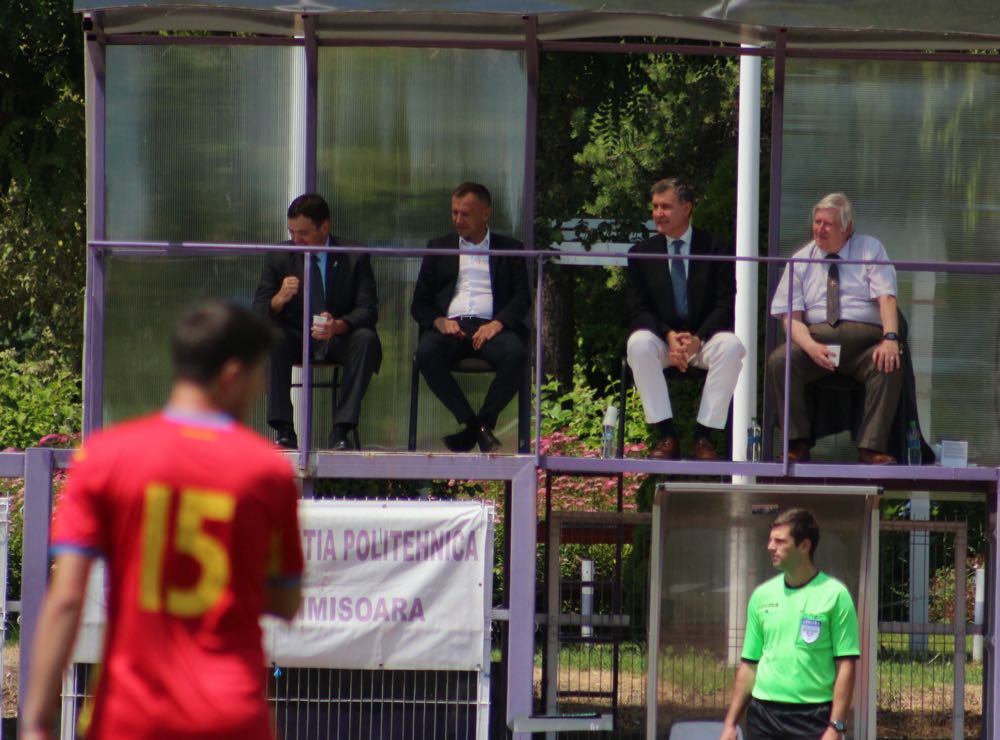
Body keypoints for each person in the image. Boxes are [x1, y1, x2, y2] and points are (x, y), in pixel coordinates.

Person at [23, 301, 304, 740]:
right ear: (232, 376)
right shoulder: (266, 471)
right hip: (230, 716)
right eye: (259, 377)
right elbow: (286, 603)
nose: (260, 390)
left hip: (129, 715)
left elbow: (66, 599)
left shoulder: (105, 457)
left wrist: (37, 722)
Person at [767, 192, 901, 464]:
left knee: (889, 361)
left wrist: (890, 338)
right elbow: (790, 318)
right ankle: (796, 444)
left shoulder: (869, 248)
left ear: (847, 227)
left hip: (864, 346)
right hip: (817, 344)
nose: (820, 229)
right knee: (781, 360)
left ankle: (871, 448)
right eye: (817, 222)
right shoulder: (800, 259)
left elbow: (887, 296)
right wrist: (810, 348)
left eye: (827, 223)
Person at [625, 178, 745, 460]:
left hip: (703, 340)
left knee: (732, 347)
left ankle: (703, 437)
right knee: (638, 343)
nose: (658, 213)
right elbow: (638, 309)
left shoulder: (716, 247)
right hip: (663, 340)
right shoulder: (642, 253)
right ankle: (666, 436)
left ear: (687, 208)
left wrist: (697, 339)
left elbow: (725, 304)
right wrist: (668, 335)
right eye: (654, 206)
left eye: (665, 206)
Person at [253, 193, 382, 450]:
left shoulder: (353, 256)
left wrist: (339, 325)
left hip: (337, 336)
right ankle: (284, 430)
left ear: (325, 226)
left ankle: (342, 429)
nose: (296, 240)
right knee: (273, 338)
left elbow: (368, 310)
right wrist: (278, 298)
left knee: (366, 339)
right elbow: (257, 312)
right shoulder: (279, 256)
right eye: (291, 232)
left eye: (303, 233)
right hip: (296, 335)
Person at [410, 182, 530, 453]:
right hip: (452, 325)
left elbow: (522, 298)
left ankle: (479, 426)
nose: (458, 220)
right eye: (454, 213)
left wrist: (498, 323)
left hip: (492, 326)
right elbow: (419, 303)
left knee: (516, 354)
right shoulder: (439, 247)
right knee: (426, 353)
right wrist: (440, 322)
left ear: (485, 214)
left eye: (465, 214)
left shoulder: (510, 248)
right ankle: (475, 425)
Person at [720, 508, 859, 740]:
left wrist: (836, 726)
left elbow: (846, 665)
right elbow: (749, 664)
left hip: (812, 717)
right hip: (763, 714)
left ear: (804, 546)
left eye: (780, 541)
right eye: (770, 540)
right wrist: (730, 724)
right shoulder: (762, 596)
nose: (770, 547)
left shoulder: (835, 595)